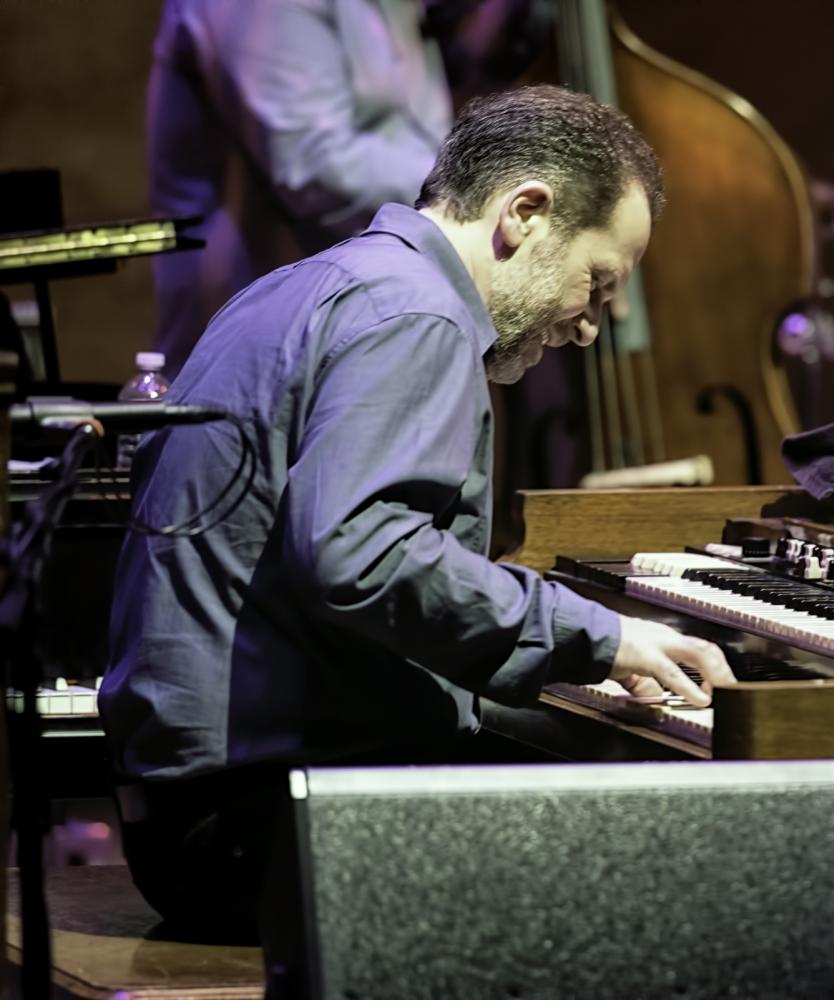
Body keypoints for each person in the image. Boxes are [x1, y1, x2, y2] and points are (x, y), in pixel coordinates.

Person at [102, 85, 734, 941]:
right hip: (260, 827)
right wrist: (604, 640)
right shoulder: (419, 315)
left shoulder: (300, 286)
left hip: (192, 808)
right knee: (699, 879)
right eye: (598, 280)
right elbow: (358, 554)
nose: (591, 327)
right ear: (527, 212)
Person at [147, 0, 534, 374]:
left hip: (366, 318)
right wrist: (490, 182)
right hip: (276, 337)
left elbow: (414, 125)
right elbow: (315, 164)